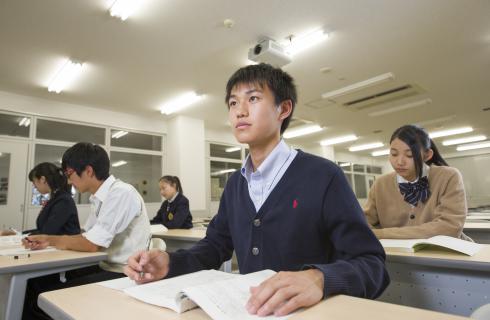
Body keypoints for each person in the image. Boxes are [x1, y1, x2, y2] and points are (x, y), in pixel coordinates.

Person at [124, 63, 389, 317]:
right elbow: (215, 246)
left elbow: (372, 264)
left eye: (252, 99)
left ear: (283, 109)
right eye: (233, 102)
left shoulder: (323, 175)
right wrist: (170, 263)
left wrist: (319, 278)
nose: (239, 111)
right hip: (251, 312)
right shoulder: (235, 184)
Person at [22, 142, 151, 320]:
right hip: (105, 265)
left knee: (40, 296)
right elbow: (86, 236)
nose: (68, 180)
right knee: (34, 283)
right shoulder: (97, 198)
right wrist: (49, 240)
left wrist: (50, 240)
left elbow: (91, 245)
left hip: (122, 272)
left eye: (69, 173)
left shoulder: (121, 193)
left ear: (88, 171)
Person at [364, 124, 470, 240]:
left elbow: (449, 228)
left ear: (427, 155)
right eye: (394, 154)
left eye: (410, 155)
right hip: (399, 255)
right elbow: (363, 224)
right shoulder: (380, 184)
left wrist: (381, 234)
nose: (399, 162)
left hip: (447, 254)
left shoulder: (448, 177)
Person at [0, 162, 80, 236]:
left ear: (42, 179)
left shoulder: (63, 201)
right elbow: (43, 230)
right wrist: (18, 233)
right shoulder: (56, 198)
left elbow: (47, 232)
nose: (34, 186)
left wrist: (18, 235)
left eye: (34, 182)